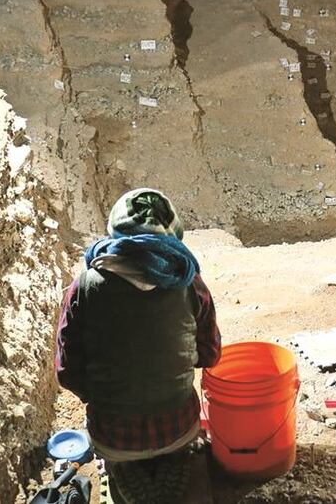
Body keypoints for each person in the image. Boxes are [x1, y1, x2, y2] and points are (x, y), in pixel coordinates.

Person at [55, 188, 221, 504]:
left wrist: (105, 391)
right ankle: (172, 458)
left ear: (116, 235)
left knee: (118, 450)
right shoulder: (190, 282)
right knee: (175, 442)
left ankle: (122, 466)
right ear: (174, 237)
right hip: (180, 428)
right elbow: (211, 354)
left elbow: (67, 373)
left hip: (112, 435)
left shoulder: (85, 286)